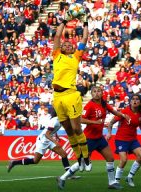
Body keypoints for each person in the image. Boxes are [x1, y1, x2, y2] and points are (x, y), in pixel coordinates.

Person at [56, 86, 130, 190]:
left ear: (102, 93)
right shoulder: (89, 106)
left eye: (99, 91)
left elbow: (113, 111)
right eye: (94, 91)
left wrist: (123, 115)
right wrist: (95, 122)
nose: (97, 93)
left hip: (99, 138)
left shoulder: (103, 103)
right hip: (89, 139)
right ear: (91, 94)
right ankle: (62, 178)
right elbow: (80, 119)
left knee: (110, 158)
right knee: (81, 163)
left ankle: (112, 182)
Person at [51, 9, 91, 172]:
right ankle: (79, 158)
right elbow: (57, 36)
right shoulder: (56, 54)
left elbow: (85, 38)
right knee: (67, 129)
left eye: (70, 45)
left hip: (70, 95)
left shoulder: (76, 57)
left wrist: (86, 22)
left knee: (76, 128)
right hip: (57, 97)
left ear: (73, 49)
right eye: (65, 44)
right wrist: (63, 21)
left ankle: (87, 158)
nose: (67, 44)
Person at [107, 94, 141, 187]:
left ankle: (129, 177)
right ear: (130, 101)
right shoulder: (124, 112)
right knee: (124, 160)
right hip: (121, 139)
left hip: (133, 139)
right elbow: (111, 123)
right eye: (133, 99)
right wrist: (109, 133)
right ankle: (116, 181)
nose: (135, 101)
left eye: (137, 99)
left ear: (140, 102)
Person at [7, 109, 73, 175]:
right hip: (43, 140)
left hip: (49, 139)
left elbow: (52, 130)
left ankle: (69, 174)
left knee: (64, 154)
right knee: (35, 161)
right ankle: (14, 162)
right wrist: (55, 142)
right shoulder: (55, 121)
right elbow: (47, 134)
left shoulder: (61, 120)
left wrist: (56, 136)